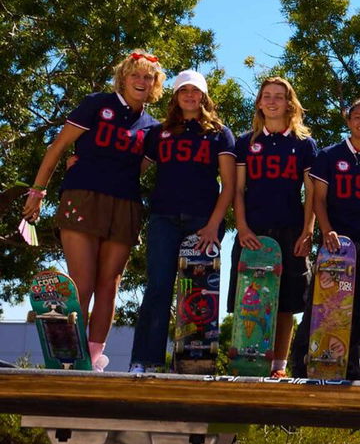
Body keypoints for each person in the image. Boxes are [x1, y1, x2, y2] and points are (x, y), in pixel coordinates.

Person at [22, 50, 164, 371]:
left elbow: (139, 167)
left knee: (109, 285)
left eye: (148, 77)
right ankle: (68, 356)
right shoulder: (97, 104)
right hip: (82, 197)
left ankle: (94, 358)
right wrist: (38, 190)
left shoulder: (153, 128)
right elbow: (57, 147)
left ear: (155, 84)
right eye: (135, 75)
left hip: (125, 205)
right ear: (123, 78)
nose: (141, 82)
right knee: (81, 284)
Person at [129, 70, 236, 373]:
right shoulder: (160, 132)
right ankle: (145, 361)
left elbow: (228, 184)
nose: (190, 96)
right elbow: (135, 169)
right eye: (183, 90)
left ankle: (193, 362)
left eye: (195, 91)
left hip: (203, 221)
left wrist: (214, 225)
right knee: (158, 288)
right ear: (175, 96)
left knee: (199, 291)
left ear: (204, 96)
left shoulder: (219, 133)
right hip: (164, 217)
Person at [290, 98, 360, 380]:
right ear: (348, 121)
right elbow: (318, 199)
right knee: (321, 307)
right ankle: (301, 364)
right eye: (357, 117)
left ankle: (351, 364)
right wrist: (326, 230)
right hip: (338, 244)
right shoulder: (329, 155)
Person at [231, 76, 318, 378]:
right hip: (253, 230)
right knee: (250, 297)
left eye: (278, 96)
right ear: (259, 102)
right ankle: (248, 358)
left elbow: (312, 193)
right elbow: (237, 190)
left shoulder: (304, 144)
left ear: (289, 103)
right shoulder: (245, 142)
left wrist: (308, 231)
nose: (271, 101)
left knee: (287, 302)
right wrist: (241, 227)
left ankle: (279, 367)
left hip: (290, 230)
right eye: (266, 96)